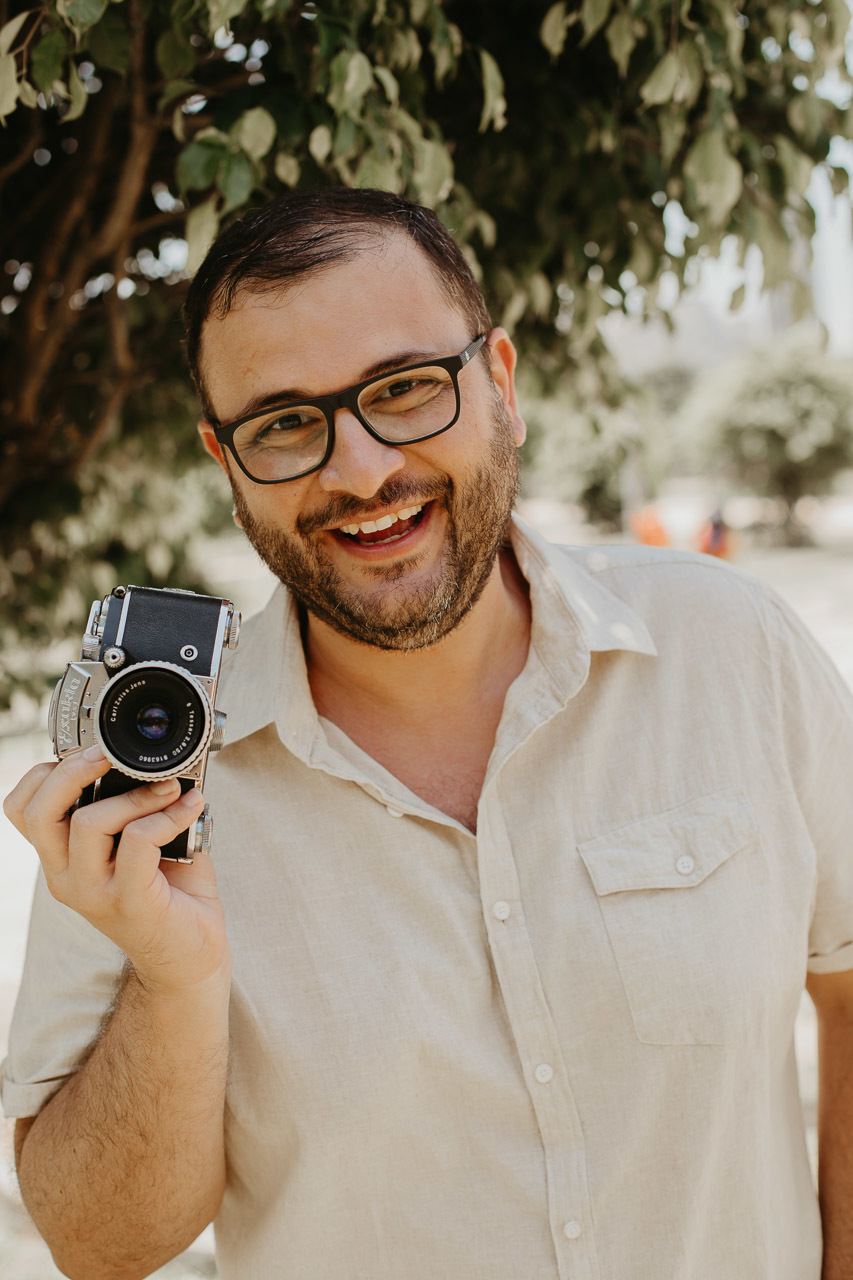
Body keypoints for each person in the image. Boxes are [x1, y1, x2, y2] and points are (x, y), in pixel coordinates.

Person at [3, 188, 853, 1280]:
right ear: (226, 463)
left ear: (499, 384)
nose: (358, 470)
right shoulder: (139, 795)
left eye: (404, 388)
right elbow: (99, 1243)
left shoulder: (731, 645)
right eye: (284, 422)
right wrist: (174, 980)